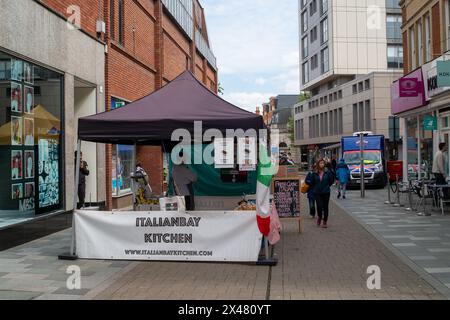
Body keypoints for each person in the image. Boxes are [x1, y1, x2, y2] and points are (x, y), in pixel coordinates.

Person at [308, 159, 335, 229]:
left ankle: (325, 221)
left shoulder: (327, 172)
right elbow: (312, 182)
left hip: (326, 192)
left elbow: (331, 181)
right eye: (320, 163)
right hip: (317, 192)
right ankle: (320, 217)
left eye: (323, 163)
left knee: (325, 207)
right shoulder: (314, 173)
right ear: (318, 164)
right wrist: (315, 188)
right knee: (319, 206)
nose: (322, 164)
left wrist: (326, 186)